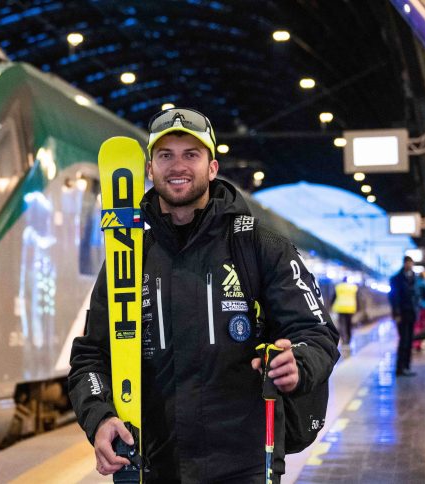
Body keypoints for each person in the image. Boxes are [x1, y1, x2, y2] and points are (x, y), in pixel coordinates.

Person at [68, 107, 340, 483]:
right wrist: (99, 416)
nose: (177, 165)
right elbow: (90, 357)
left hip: (244, 464)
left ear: (212, 168)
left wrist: (300, 363)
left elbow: (317, 333)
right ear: (149, 170)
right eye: (165, 155)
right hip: (153, 466)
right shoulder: (128, 258)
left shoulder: (259, 246)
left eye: (190, 154)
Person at [389, 256, 418, 376]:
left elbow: (416, 295)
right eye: (407, 263)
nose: (409, 265)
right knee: (403, 341)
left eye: (411, 263)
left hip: (412, 313)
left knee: (409, 340)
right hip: (402, 313)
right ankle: (400, 368)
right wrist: (396, 313)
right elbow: (393, 297)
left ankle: (407, 366)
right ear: (404, 264)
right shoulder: (396, 278)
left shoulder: (415, 277)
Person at [331, 277, 358, 345]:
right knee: (349, 324)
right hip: (350, 308)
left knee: (342, 324)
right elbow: (357, 298)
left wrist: (331, 305)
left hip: (340, 308)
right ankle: (349, 338)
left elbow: (334, 297)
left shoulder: (339, 287)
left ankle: (343, 339)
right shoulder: (353, 287)